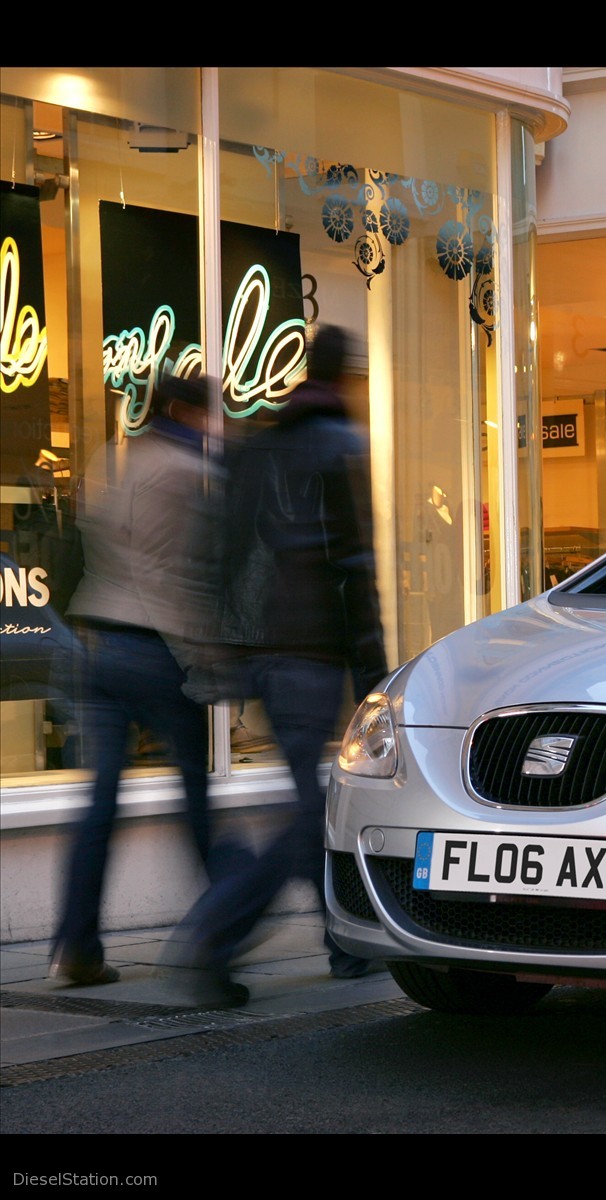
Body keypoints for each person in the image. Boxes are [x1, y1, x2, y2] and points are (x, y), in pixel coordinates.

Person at [171, 325, 388, 1006]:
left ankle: (344, 944)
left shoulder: (257, 447)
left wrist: (231, 646)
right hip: (309, 651)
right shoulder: (341, 445)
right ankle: (215, 935)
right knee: (307, 813)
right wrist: (374, 669)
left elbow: (223, 550)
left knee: (309, 799)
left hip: (263, 650)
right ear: (345, 377)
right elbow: (354, 564)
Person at [50, 374, 222, 985]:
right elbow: (184, 576)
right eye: (207, 414)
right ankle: (221, 930)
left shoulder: (109, 461)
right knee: (195, 794)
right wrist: (208, 655)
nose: (212, 426)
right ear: (184, 411)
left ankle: (77, 945)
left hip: (94, 640)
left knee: (99, 802)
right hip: (153, 648)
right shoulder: (184, 474)